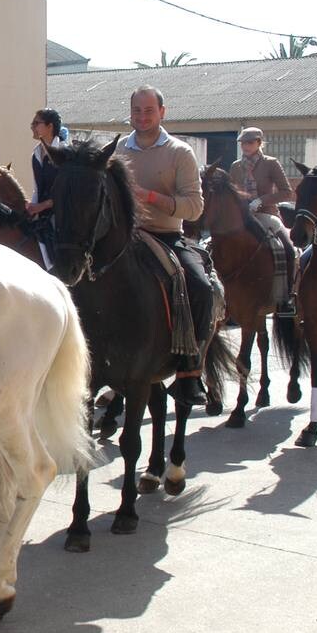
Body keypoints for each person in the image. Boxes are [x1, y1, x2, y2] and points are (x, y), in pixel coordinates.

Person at [112, 86, 212, 406]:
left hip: (166, 236)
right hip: (124, 237)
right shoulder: (116, 151)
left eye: (149, 111)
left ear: (162, 112)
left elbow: (194, 208)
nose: (142, 117)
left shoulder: (180, 152)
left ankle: (189, 372)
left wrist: (151, 197)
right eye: (137, 111)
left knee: (200, 286)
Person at [228, 126, 296, 315]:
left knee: (288, 248)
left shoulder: (270, 163)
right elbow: (231, 192)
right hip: (242, 217)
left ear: (259, 143)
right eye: (243, 143)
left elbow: (287, 191)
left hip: (266, 214)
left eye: (250, 142)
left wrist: (261, 201)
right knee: (211, 245)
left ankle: (287, 296)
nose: (246, 146)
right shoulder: (235, 166)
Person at [24, 107, 67, 270]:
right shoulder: (35, 154)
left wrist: (42, 206)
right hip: (43, 215)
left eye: (36, 123)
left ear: (50, 127)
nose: (32, 127)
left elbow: (65, 193)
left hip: (62, 216)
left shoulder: (64, 152)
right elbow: (37, 189)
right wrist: (32, 208)